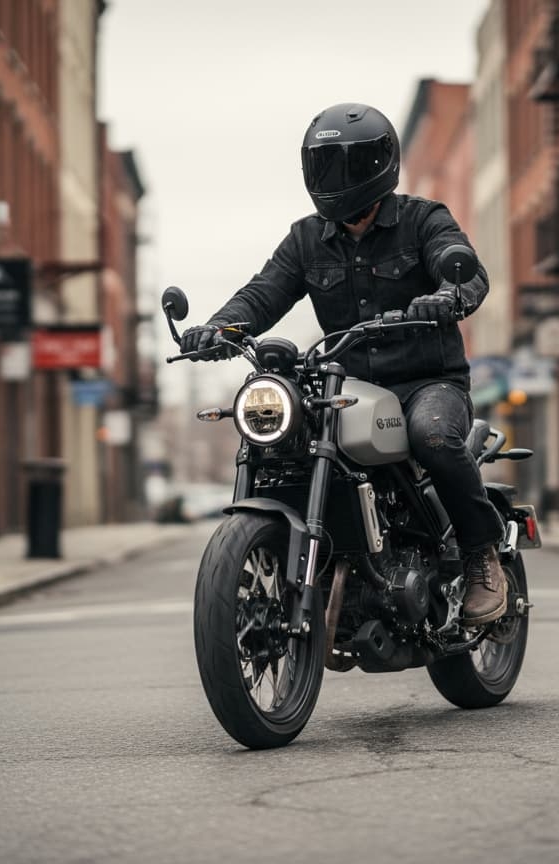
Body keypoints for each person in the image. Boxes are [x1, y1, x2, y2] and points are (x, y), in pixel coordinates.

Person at [180, 102, 507, 626]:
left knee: (433, 436)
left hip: (427, 382)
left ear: (378, 165)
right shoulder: (307, 238)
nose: (332, 179)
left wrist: (450, 293)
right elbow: (263, 293)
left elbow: (464, 267)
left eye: (344, 166)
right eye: (323, 165)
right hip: (348, 387)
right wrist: (220, 329)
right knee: (289, 442)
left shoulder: (424, 219)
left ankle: (480, 556)